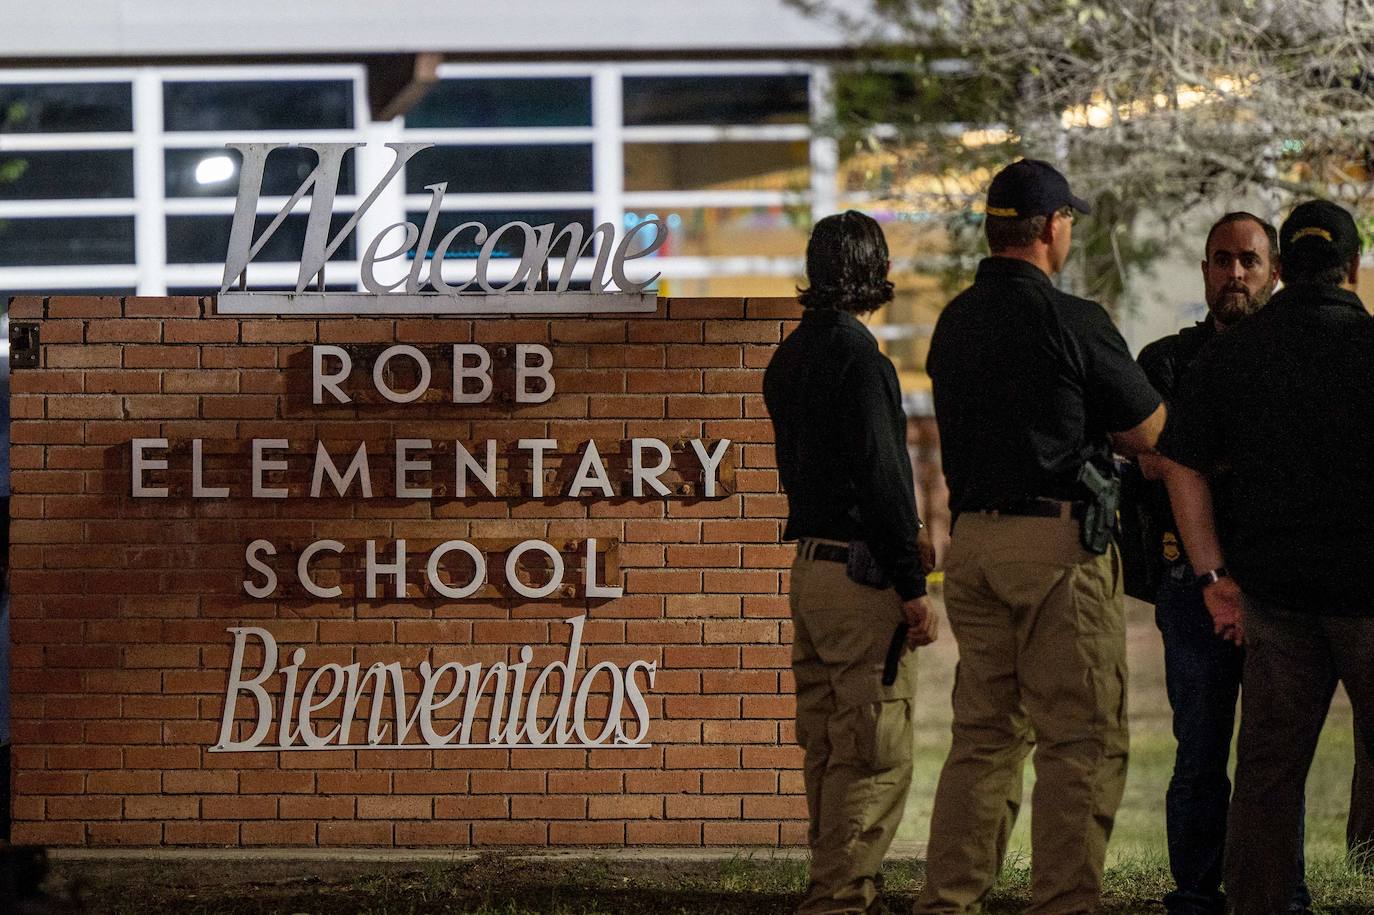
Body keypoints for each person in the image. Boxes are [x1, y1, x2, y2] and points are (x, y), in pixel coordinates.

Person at [916, 159, 1165, 914]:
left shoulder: (953, 321)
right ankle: (1062, 901)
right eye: (1068, 224)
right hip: (1055, 549)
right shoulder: (1075, 320)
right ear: (1052, 228)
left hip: (975, 549)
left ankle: (947, 900)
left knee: (984, 738)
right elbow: (1150, 430)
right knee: (1080, 741)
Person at [1152, 200, 1374, 915]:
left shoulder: (1231, 354)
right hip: (1370, 598)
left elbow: (1179, 463)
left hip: (1275, 605)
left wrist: (1214, 575)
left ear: (1283, 270)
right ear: (1353, 268)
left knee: (1268, 779)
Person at [1134, 212, 1316, 914]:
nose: (1234, 273)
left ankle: (1279, 895)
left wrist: (1189, 458)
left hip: (1279, 584)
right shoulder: (1167, 361)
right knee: (1200, 751)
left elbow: (1177, 458)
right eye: (1221, 259)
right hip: (1194, 586)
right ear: (1204, 268)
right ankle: (1195, 894)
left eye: (1248, 259)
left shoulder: (1295, 356)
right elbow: (1146, 456)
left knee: (1277, 758)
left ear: (1273, 270)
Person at [763, 210, 938, 915]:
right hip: (862, 576)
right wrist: (912, 585)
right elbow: (885, 481)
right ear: (875, 270)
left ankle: (831, 882)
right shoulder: (863, 362)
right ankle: (838, 895)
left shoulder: (789, 357)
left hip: (809, 569)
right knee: (872, 747)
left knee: (829, 744)